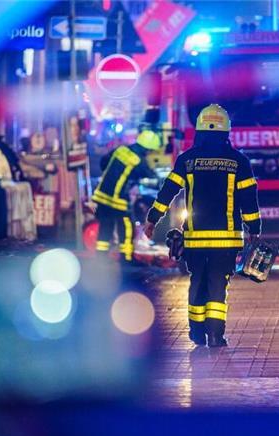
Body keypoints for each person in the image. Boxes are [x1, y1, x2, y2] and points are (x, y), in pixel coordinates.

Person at [144, 104, 261, 347]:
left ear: (199, 130)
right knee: (219, 285)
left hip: (195, 238)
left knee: (198, 281)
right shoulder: (239, 161)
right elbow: (249, 200)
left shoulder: (187, 160)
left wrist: (153, 218)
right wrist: (254, 229)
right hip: (226, 240)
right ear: (226, 131)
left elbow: (168, 191)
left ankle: (197, 332)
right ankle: (216, 335)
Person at [92, 130, 160, 262]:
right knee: (126, 227)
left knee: (105, 227)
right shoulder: (138, 160)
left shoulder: (120, 150)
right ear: (148, 148)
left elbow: (104, 162)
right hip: (118, 200)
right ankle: (126, 258)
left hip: (102, 195)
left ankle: (100, 258)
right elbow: (151, 177)